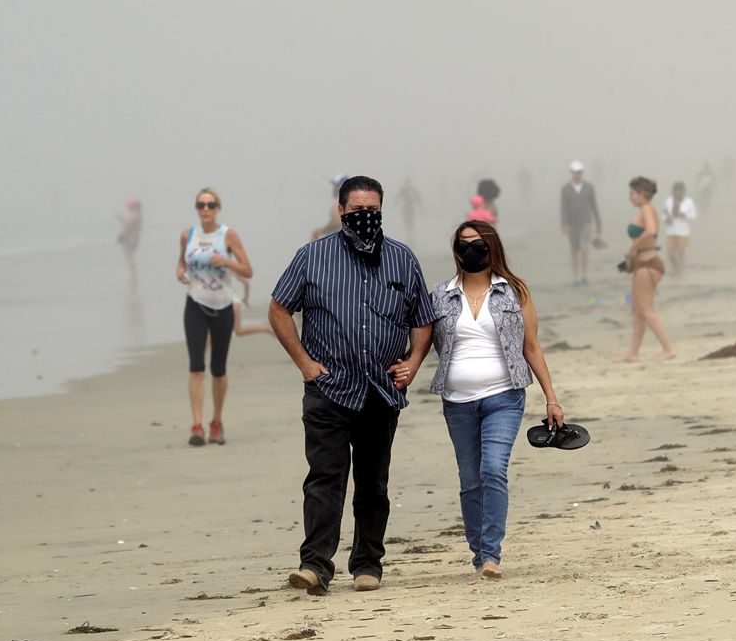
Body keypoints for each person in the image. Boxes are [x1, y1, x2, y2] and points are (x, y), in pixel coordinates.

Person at [268, 175, 437, 596]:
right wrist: (305, 364)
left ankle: (367, 565)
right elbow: (278, 309)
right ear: (340, 210)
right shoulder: (312, 257)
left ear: (382, 210)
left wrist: (414, 362)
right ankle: (315, 565)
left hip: (380, 391)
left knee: (373, 483)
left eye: (373, 211)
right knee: (324, 477)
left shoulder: (401, 259)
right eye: (358, 210)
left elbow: (423, 317)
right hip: (329, 389)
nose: (366, 217)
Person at [428, 220, 565, 580]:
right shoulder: (440, 295)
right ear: (455, 250)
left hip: (504, 395)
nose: (470, 250)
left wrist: (552, 397)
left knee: (492, 469)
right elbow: (422, 344)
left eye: (477, 243)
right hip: (456, 400)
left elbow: (531, 346)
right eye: (462, 244)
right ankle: (478, 553)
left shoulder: (514, 291)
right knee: (469, 480)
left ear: (492, 247)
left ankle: (492, 555)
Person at [176, 188, 253, 447]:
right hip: (195, 304)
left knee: (218, 368)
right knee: (196, 366)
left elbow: (248, 269)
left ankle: (216, 421)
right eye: (201, 204)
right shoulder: (188, 235)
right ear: (196, 208)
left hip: (222, 306)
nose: (205, 209)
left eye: (210, 205)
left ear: (218, 207)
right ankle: (197, 425)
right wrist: (180, 271)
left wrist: (227, 262)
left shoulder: (227, 235)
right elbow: (181, 263)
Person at [621, 177, 675, 362]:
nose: (630, 198)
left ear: (642, 194)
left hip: (649, 264)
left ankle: (668, 349)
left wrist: (634, 246)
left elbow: (651, 230)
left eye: (632, 194)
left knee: (646, 310)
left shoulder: (646, 209)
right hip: (644, 264)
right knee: (638, 310)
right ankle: (633, 353)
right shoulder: (648, 209)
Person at [560, 161, 602, 286]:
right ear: (571, 173)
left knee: (584, 248)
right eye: (574, 172)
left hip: (586, 222)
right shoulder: (565, 189)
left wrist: (599, 222)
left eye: (579, 172)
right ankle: (576, 277)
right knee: (574, 250)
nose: (577, 175)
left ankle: (584, 275)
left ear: (582, 173)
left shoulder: (589, 187)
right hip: (572, 224)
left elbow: (594, 206)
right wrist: (564, 223)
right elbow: (564, 207)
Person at [662, 181, 698, 277]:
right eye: (676, 191)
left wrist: (684, 216)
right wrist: (667, 219)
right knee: (670, 254)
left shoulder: (689, 202)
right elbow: (664, 215)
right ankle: (677, 268)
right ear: (673, 192)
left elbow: (693, 217)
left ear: (684, 192)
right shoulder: (668, 201)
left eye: (680, 191)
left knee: (679, 252)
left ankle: (679, 272)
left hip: (683, 232)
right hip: (671, 231)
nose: (678, 193)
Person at [311, 175, 347, 240]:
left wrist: (321, 231)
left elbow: (337, 223)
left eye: (336, 186)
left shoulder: (340, 204)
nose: (334, 188)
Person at [117, 199, 142, 286]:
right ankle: (133, 276)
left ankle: (133, 277)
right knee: (130, 257)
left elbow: (127, 224)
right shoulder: (137, 214)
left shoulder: (135, 215)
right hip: (133, 239)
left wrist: (121, 219)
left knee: (130, 257)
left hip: (131, 239)